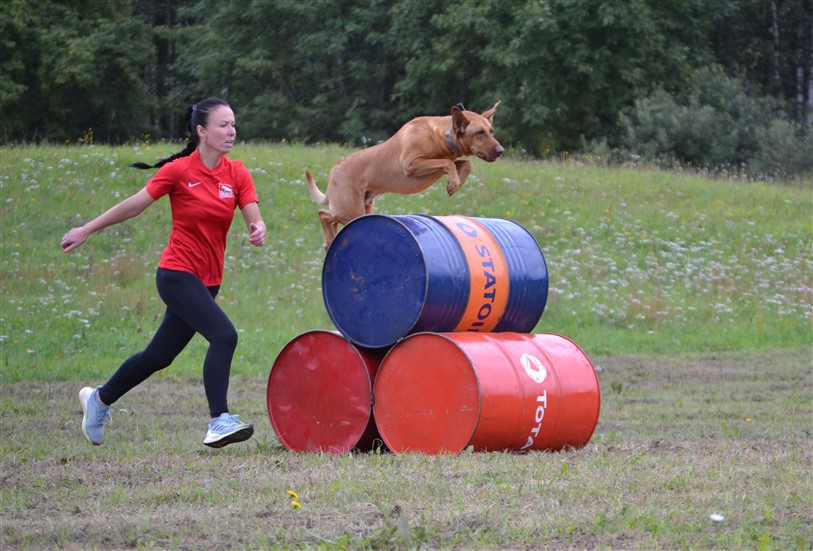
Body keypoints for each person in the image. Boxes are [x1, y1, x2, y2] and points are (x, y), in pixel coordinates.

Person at [61, 97, 267, 448]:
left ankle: (98, 400)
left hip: (208, 281)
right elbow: (134, 205)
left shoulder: (238, 174)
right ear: (201, 131)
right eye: (223, 125)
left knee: (159, 356)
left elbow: (252, 214)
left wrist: (258, 228)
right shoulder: (179, 171)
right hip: (176, 274)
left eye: (233, 124)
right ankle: (219, 420)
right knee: (224, 335)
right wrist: (87, 229)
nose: (231, 131)